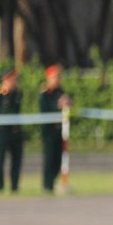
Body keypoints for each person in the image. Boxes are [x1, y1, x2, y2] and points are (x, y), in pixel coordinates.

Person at [0, 65, 24, 194]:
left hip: (15, 130)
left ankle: (14, 186)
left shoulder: (17, 93)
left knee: (17, 159)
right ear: (5, 79)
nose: (15, 82)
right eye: (12, 79)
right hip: (2, 131)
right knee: (0, 159)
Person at [37, 65, 69, 194]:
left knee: (58, 157)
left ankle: (52, 181)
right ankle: (47, 185)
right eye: (55, 77)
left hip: (59, 129)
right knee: (49, 157)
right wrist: (58, 105)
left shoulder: (60, 91)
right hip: (49, 130)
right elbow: (45, 108)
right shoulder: (45, 93)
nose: (58, 79)